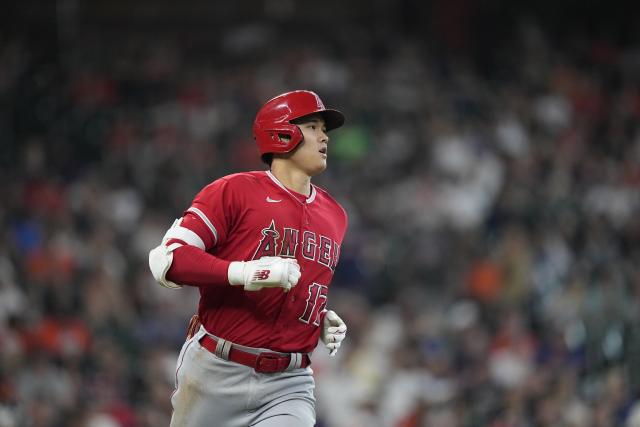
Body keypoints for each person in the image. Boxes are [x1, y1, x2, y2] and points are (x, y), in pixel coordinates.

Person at [148, 90, 349, 427]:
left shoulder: (336, 215)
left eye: (323, 129)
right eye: (313, 126)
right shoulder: (234, 191)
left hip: (290, 381)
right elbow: (167, 261)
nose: (324, 135)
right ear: (282, 132)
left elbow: (295, 286)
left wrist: (318, 318)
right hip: (216, 370)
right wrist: (244, 272)